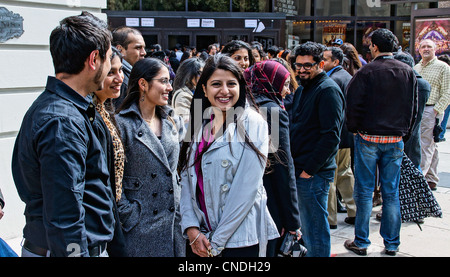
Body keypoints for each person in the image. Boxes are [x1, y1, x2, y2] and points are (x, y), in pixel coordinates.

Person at [12, 12, 115, 257]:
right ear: (94, 60)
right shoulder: (62, 122)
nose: (111, 67)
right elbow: (64, 216)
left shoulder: (68, 110)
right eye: (110, 58)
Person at [179, 54, 279, 257]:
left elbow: (245, 190)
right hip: (201, 238)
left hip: (239, 241)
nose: (224, 91)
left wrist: (216, 243)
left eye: (231, 84)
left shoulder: (252, 122)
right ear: (204, 89)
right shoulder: (200, 124)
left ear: (241, 87)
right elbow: (187, 182)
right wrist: (191, 229)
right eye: (216, 84)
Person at [344, 29, 418, 256]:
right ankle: (392, 244)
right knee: (391, 193)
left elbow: (353, 105)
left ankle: (362, 241)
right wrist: (405, 134)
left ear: (374, 47)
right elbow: (413, 108)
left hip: (368, 137)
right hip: (395, 138)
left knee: (365, 192)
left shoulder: (367, 72)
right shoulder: (408, 71)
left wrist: (354, 130)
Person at [115, 58, 185, 257]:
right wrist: (129, 215)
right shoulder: (122, 125)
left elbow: (179, 169)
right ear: (143, 84)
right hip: (140, 227)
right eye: (163, 81)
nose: (169, 87)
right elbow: (113, 180)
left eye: (169, 81)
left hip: (174, 222)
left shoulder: (172, 120)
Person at [289, 42, 345, 257]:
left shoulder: (328, 90)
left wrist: (309, 170)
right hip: (303, 169)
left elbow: (331, 137)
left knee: (315, 228)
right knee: (308, 227)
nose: (302, 69)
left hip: (313, 173)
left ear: (320, 64)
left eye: (307, 65)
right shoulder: (304, 87)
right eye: (298, 65)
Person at [244, 60, 301, 257]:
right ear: (270, 82)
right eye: (285, 84)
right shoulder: (272, 111)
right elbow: (283, 166)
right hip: (268, 196)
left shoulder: (247, 102)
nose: (287, 90)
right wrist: (293, 220)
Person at [322, 47, 356, 229]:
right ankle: (354, 210)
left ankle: (330, 219)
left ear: (335, 62)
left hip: (336, 136)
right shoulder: (347, 77)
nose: (322, 63)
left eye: (325, 60)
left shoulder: (332, 80)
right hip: (346, 135)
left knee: (331, 178)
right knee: (344, 173)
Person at [414, 39, 450, 191]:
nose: (426, 49)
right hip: (417, 110)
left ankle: (419, 180)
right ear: (419, 50)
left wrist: (437, 110)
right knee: (431, 145)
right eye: (423, 47)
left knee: (424, 144)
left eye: (429, 46)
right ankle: (432, 178)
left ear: (435, 49)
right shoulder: (416, 67)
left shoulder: (443, 67)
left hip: (431, 109)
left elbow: (448, 90)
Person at [112, 27, 146, 108]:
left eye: (143, 48)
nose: (143, 53)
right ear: (120, 49)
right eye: (138, 48)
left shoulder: (131, 74)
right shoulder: (121, 80)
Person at [172, 57, 205, 125]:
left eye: (203, 73)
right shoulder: (183, 96)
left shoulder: (195, 90)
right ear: (188, 74)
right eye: (199, 73)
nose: (202, 77)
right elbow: (185, 124)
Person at [437, 54, 450, 141]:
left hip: (442, 98)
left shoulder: (442, 70)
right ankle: (441, 135)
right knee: (444, 117)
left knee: (441, 117)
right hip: (447, 98)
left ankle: (439, 134)